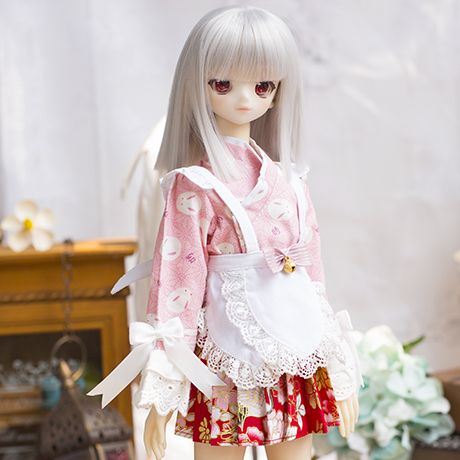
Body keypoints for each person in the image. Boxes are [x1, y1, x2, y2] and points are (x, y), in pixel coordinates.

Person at [89, 6, 364, 460]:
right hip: (226, 355)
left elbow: (310, 278)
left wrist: (335, 363)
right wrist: (166, 380)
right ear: (197, 85)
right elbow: (178, 282)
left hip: (294, 351)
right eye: (222, 84)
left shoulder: (291, 181)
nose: (244, 99)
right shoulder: (193, 185)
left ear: (278, 92)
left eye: (262, 86)